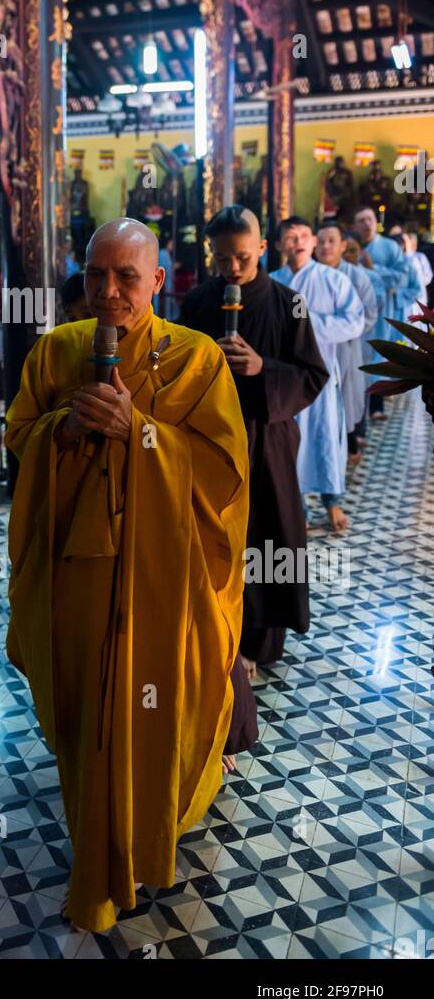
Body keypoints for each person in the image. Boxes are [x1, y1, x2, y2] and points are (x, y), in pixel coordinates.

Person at [5, 218, 250, 933]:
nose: (108, 293)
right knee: (87, 716)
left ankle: (151, 831)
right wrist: (67, 429)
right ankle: (97, 850)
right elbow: (18, 440)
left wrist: (137, 430)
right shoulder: (55, 352)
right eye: (95, 276)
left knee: (154, 708)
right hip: (76, 578)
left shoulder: (196, 361)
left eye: (126, 278)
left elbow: (221, 475)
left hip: (159, 583)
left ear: (158, 283)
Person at [180, 207, 329, 681]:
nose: (232, 270)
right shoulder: (198, 302)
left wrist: (264, 369)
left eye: (241, 257)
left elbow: (313, 374)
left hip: (268, 438)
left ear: (263, 248)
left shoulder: (290, 303)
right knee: (216, 537)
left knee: (268, 533)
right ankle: (213, 632)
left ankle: (260, 641)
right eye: (222, 259)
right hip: (210, 441)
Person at [272, 217, 365, 533]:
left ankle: (332, 501)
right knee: (288, 443)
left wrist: (309, 327)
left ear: (313, 242)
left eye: (303, 235)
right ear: (279, 245)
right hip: (283, 380)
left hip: (320, 377)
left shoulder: (333, 281)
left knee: (326, 438)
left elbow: (354, 320)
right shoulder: (271, 282)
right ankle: (296, 506)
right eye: (289, 236)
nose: (297, 241)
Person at [315, 224, 378, 468]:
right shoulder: (307, 277)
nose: (326, 247)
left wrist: (338, 329)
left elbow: (369, 314)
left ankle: (349, 445)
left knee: (346, 402)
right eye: (321, 242)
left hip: (346, 349)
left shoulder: (356, 277)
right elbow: (298, 315)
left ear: (343, 245)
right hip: (312, 350)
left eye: (331, 241)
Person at [355, 207, 415, 422]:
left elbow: (403, 278)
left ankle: (376, 407)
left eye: (369, 218)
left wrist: (374, 268)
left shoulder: (389, 247)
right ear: (355, 226)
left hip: (383, 312)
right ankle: (360, 413)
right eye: (361, 220)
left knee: (378, 356)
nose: (366, 223)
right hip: (357, 314)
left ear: (376, 221)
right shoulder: (353, 247)